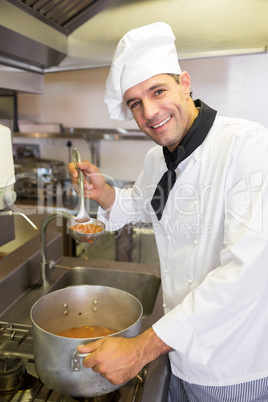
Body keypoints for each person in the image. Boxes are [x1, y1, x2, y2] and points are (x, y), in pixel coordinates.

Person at [68, 22, 268, 401]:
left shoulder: (249, 146)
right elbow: (147, 205)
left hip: (233, 371)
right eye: (135, 103)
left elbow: (247, 275)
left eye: (158, 91)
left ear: (185, 83)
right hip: (177, 353)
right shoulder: (159, 160)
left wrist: (140, 348)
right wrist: (104, 193)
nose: (149, 112)